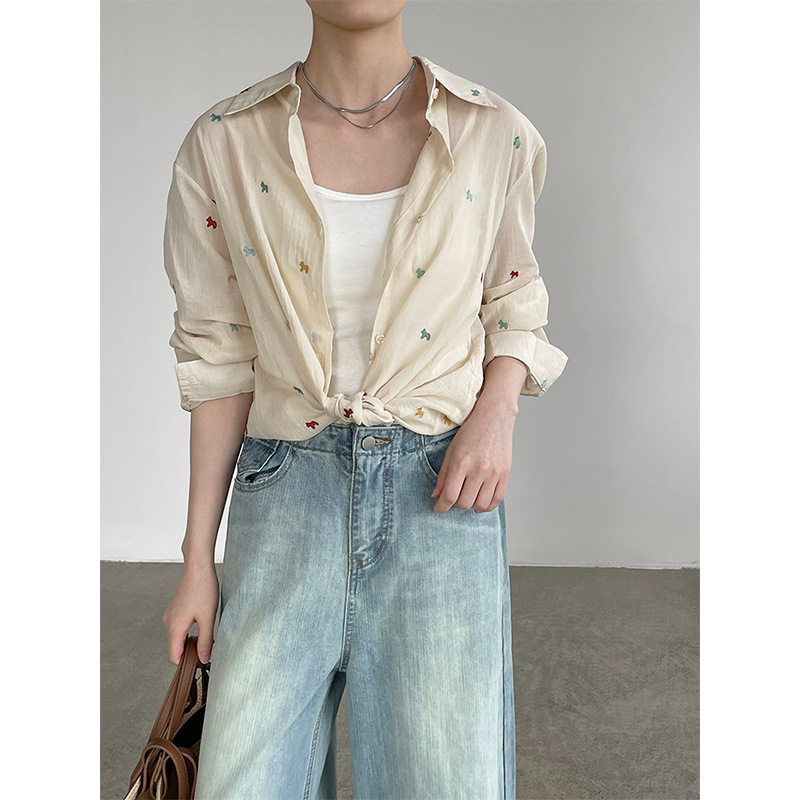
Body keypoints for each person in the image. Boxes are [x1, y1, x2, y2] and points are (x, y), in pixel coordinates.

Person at [160, 1, 568, 797]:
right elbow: (220, 361)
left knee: (444, 783)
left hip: (439, 505)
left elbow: (516, 301)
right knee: (241, 782)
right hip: (284, 498)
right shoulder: (224, 142)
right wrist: (197, 563)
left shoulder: (494, 134)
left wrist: (497, 411)